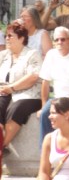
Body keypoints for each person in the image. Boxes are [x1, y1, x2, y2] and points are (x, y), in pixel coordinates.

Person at [0, 20, 42, 150]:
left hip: (28, 94)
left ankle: (3, 146)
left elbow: (33, 77)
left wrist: (11, 88)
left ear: (21, 38)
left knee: (16, 108)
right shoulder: (3, 55)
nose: (6, 38)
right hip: (5, 92)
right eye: (6, 35)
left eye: (10, 36)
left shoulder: (32, 54)